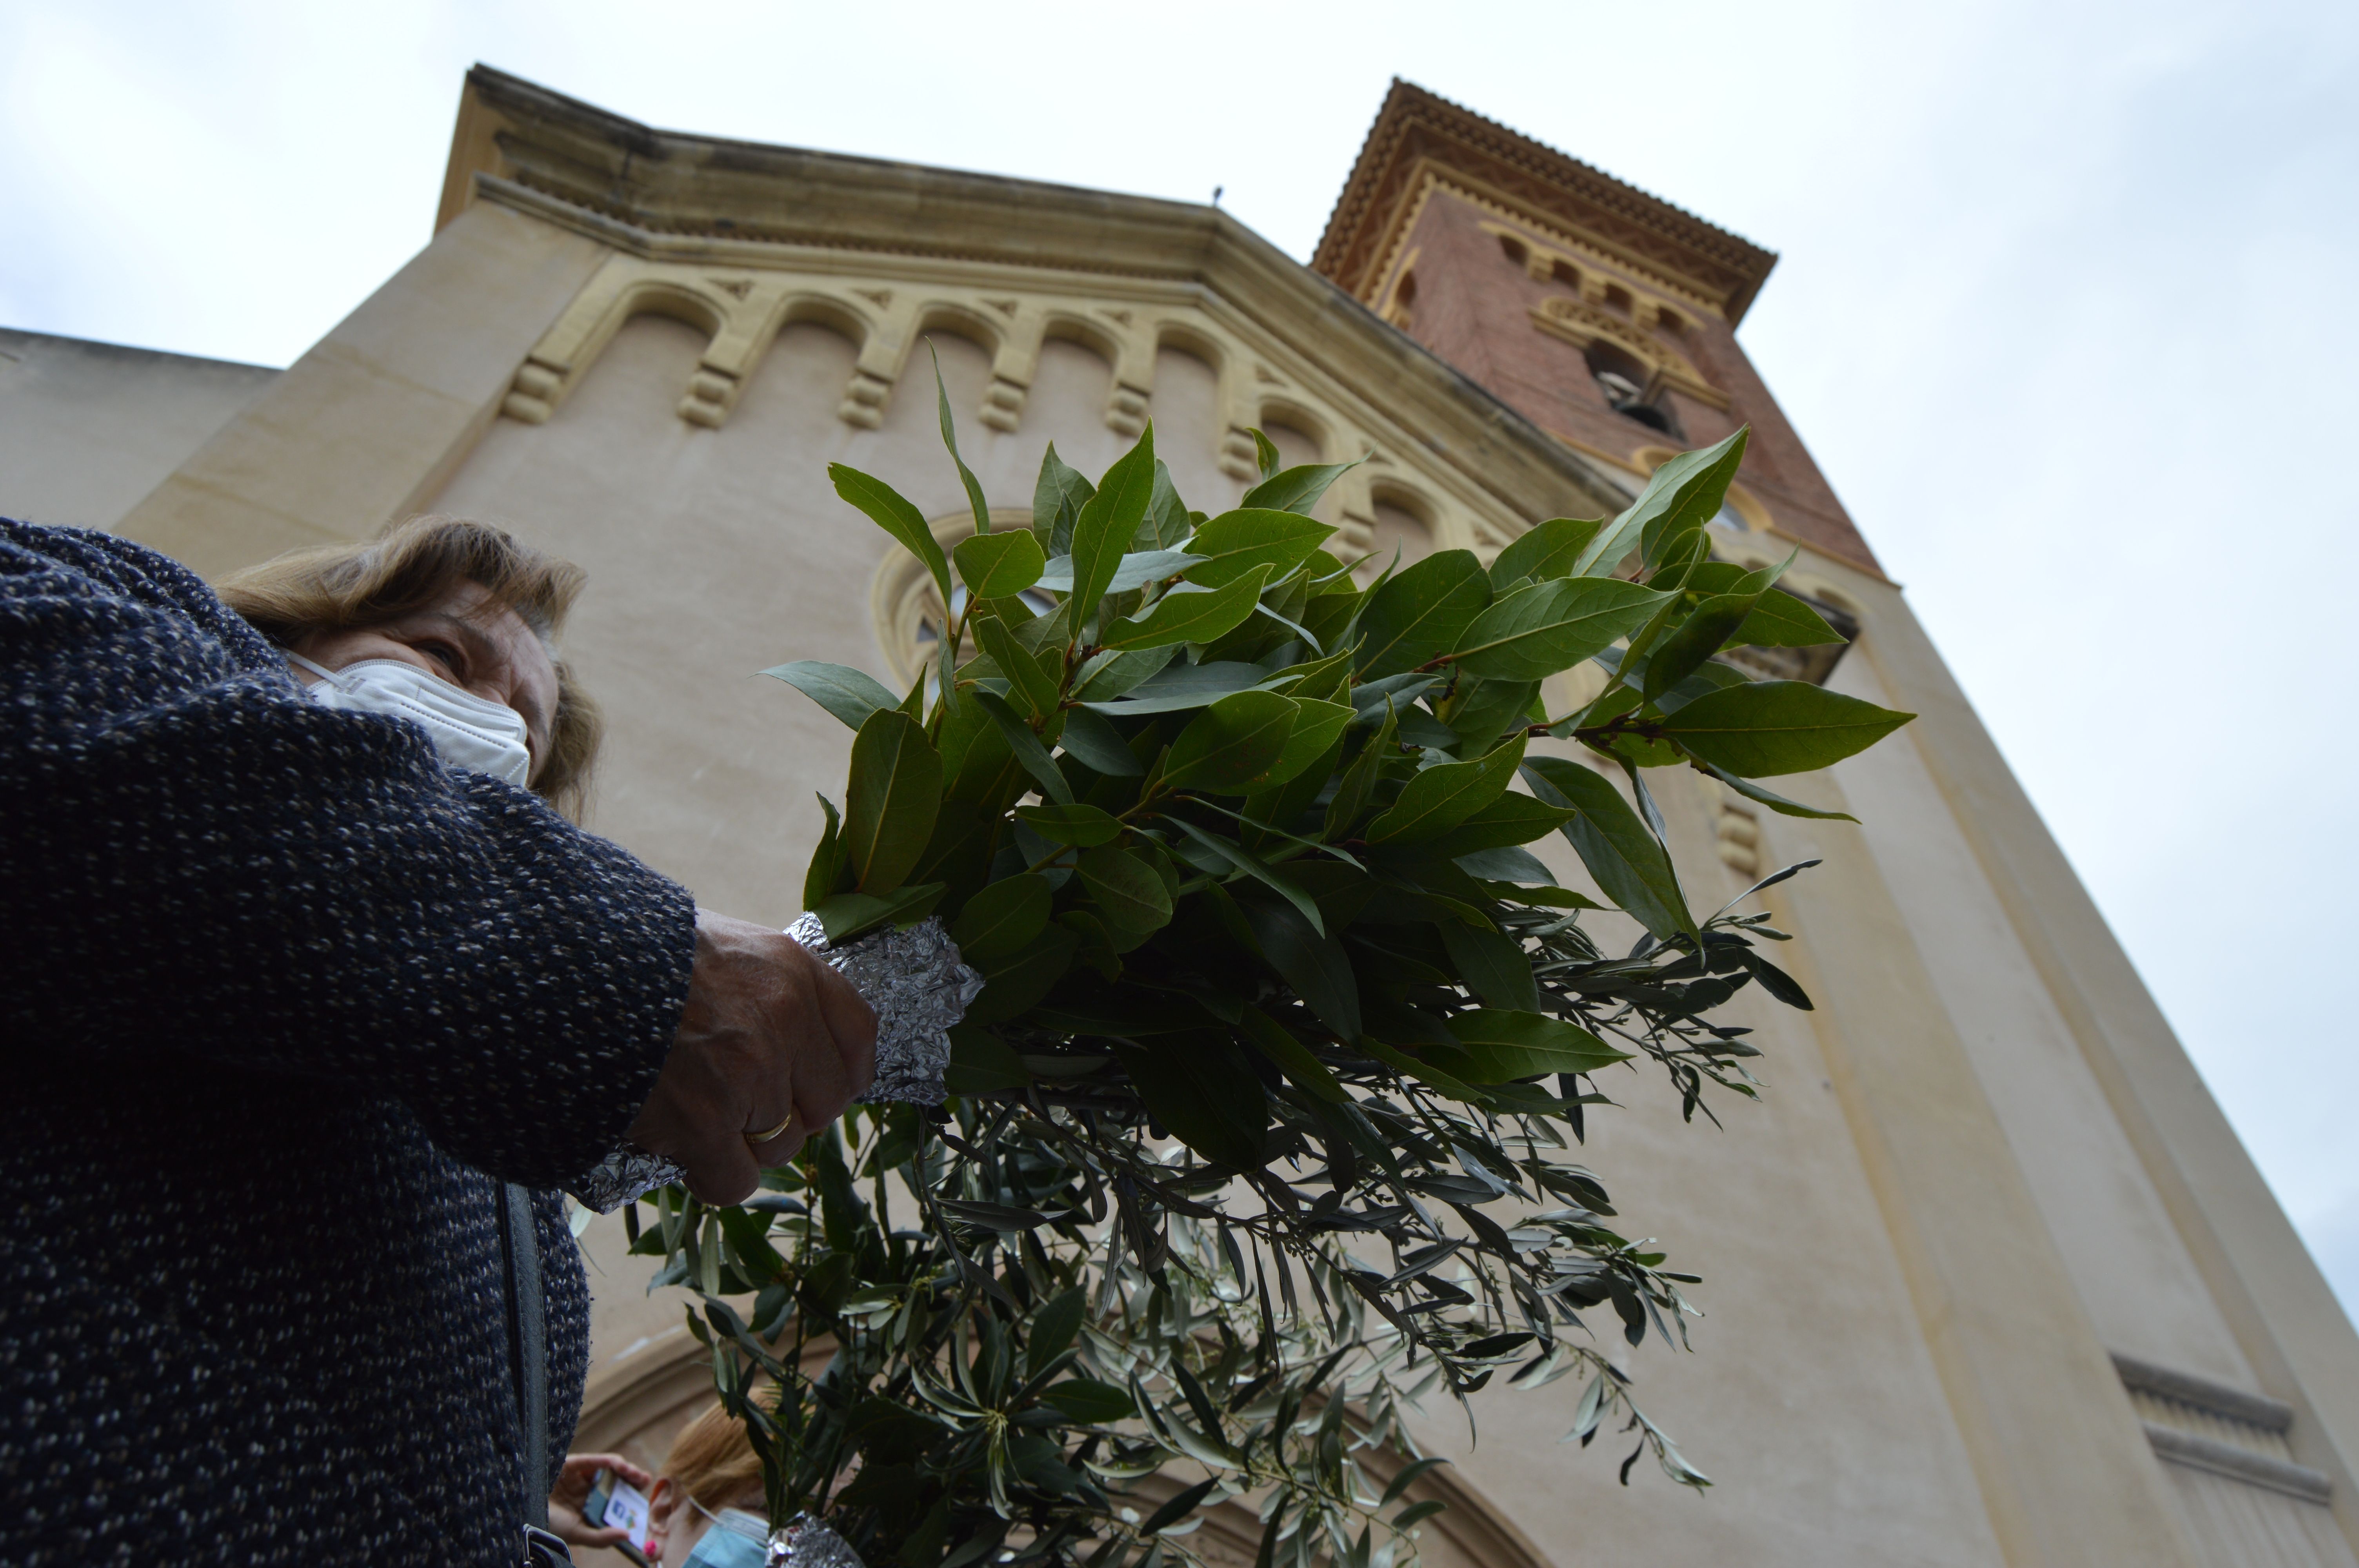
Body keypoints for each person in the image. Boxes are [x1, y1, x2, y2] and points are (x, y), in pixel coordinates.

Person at [0, 515, 876, 1566]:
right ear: (299, 632)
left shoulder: (479, 1111)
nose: (489, 723)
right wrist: (624, 971)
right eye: (441, 654)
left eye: (527, 732)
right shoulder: (88, 597)